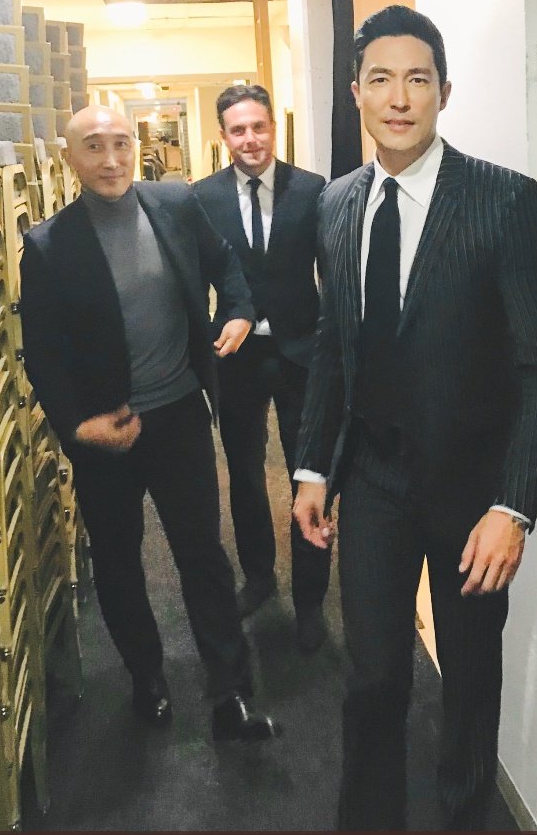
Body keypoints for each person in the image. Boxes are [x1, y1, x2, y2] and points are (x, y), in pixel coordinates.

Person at [292, 6, 537, 829]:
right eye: (381, 79)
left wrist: (513, 507)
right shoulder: (336, 205)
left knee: (470, 683)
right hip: (373, 479)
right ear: (356, 92)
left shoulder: (501, 200)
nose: (399, 98)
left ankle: (464, 817)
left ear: (444, 92)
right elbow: (333, 344)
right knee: (373, 679)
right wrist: (312, 465)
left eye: (418, 79)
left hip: (472, 493)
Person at [20, 105, 281, 742]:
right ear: (70, 158)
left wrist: (239, 310)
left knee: (203, 555)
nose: (111, 160)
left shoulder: (174, 205)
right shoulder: (49, 245)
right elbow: (43, 354)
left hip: (180, 415)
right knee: (118, 562)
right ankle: (146, 674)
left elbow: (225, 264)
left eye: (121, 143)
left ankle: (231, 693)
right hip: (105, 431)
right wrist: (77, 427)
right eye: (94, 147)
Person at [193, 85, 331, 652]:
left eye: (258, 127)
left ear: (273, 127)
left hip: (302, 355)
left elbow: (333, 273)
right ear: (223, 136)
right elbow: (194, 277)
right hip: (237, 357)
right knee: (245, 474)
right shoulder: (201, 198)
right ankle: (258, 578)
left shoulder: (314, 191)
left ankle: (311, 602)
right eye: (238, 130)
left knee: (310, 475)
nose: (250, 139)